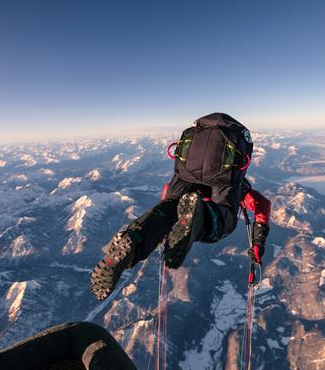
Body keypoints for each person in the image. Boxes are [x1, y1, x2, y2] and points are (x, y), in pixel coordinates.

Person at [91, 113, 271, 300]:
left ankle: (133, 239)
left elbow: (167, 193)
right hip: (219, 180)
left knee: (169, 208)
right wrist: (258, 243)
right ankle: (204, 216)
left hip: (186, 174)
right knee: (225, 219)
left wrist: (162, 228)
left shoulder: (191, 162)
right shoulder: (235, 183)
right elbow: (262, 205)